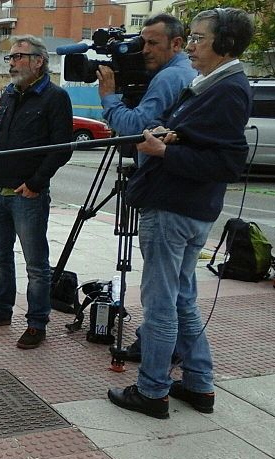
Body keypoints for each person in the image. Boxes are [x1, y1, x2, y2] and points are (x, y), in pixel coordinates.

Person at [107, 8, 255, 419]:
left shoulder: (228, 88)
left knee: (161, 304)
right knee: (184, 299)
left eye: (198, 38)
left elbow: (227, 163)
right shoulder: (215, 84)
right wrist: (176, 135)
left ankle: (152, 391)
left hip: (175, 209)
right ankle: (198, 384)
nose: (189, 45)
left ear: (224, 44)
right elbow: (208, 142)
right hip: (186, 208)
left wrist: (164, 150)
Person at [96, 13, 197, 363]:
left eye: (153, 43)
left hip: (164, 194)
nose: (144, 50)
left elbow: (136, 128)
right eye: (142, 42)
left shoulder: (170, 77)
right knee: (182, 292)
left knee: (161, 297)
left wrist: (109, 98)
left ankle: (153, 378)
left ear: (177, 43)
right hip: (186, 197)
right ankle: (191, 366)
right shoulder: (187, 73)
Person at [0, 36, 73, 349]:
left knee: (36, 265)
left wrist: (36, 183)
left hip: (29, 194)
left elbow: (62, 148)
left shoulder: (56, 98)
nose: (11, 63)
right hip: (0, 190)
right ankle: (1, 310)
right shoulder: (10, 94)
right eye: (10, 57)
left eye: (17, 57)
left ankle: (37, 323)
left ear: (38, 61)